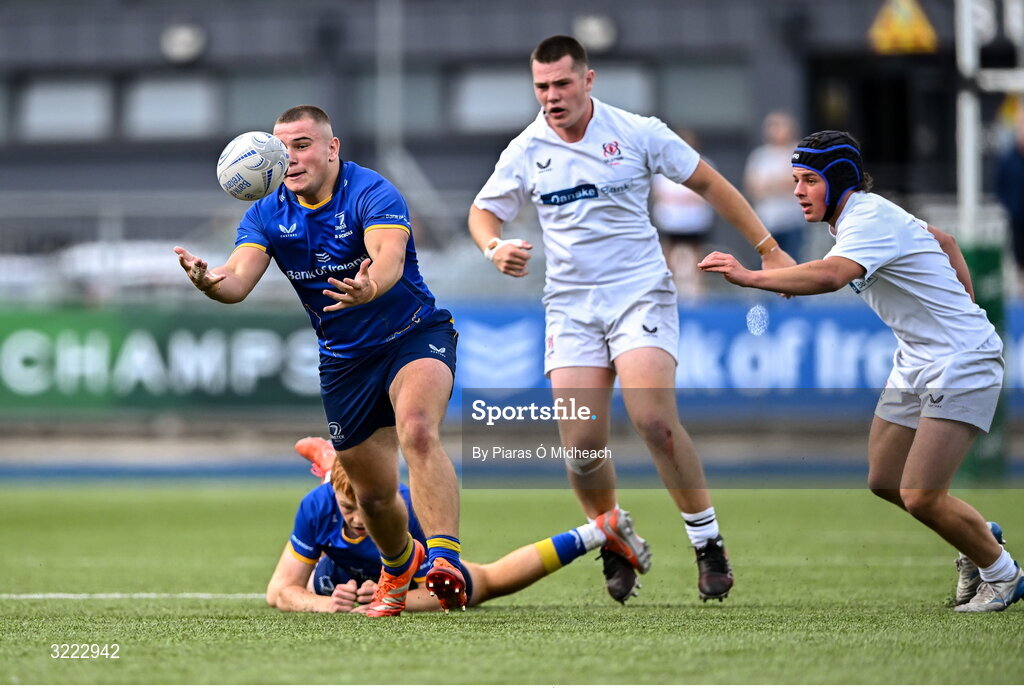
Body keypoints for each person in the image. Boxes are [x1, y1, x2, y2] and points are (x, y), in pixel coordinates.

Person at [467, 35, 796, 604]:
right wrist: (493, 246)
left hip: (639, 294)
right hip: (570, 307)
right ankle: (613, 536)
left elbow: (710, 183)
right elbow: (482, 211)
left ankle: (707, 542)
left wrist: (767, 248)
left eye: (562, 83)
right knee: (582, 448)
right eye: (541, 86)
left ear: (588, 80)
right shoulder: (525, 149)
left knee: (653, 421)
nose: (551, 96)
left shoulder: (638, 131)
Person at [698, 130, 1022, 613]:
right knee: (884, 479)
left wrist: (749, 276)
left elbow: (829, 276)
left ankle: (1003, 575)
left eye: (808, 180)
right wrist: (964, 306)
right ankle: (977, 539)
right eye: (795, 180)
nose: (797, 190)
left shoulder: (867, 216)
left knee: (921, 494)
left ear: (839, 181)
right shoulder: (860, 217)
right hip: (918, 359)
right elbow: (946, 243)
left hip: (960, 361)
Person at [174, 105, 466, 616]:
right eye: (281, 147)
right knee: (373, 496)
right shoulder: (266, 212)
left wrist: (368, 284)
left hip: (412, 335)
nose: (290, 157)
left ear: (332, 148)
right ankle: (399, 565)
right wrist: (209, 282)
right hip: (343, 362)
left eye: (303, 144)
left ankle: (444, 561)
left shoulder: (372, 191)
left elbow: (389, 258)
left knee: (417, 429)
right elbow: (237, 279)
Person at [265, 437, 649, 613]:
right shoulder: (319, 506)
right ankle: (329, 457)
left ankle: (601, 529)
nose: (355, 519)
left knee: (486, 581)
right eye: (347, 508)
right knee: (347, 490)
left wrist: (391, 599)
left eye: (362, 511)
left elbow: (440, 595)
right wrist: (324, 604)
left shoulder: (410, 512)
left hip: (402, 573)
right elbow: (279, 591)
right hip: (338, 575)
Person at [650, 128, 715, 300]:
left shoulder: (705, 164)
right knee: (668, 256)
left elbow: (706, 194)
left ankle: (698, 295)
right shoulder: (664, 166)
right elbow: (660, 194)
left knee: (698, 258)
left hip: (695, 222)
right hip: (671, 221)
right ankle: (667, 291)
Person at [743, 111, 808, 261]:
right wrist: (780, 182)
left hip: (792, 219)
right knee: (765, 264)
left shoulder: (799, 152)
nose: (775, 130)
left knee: (793, 262)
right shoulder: (760, 155)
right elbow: (753, 186)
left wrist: (770, 184)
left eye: (780, 126)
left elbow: (797, 180)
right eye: (772, 126)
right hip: (765, 221)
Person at [996, 110, 1024, 295]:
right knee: (1019, 258)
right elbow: (1000, 186)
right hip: (1018, 219)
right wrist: (1011, 207)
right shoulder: (1009, 160)